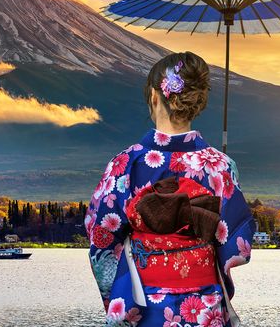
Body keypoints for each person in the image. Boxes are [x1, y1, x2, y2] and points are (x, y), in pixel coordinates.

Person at [84, 51, 256, 327]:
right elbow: (237, 244)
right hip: (203, 307)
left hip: (145, 305)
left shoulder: (126, 164)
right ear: (196, 102)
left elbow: (102, 238)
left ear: (154, 96)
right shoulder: (221, 166)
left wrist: (117, 297)